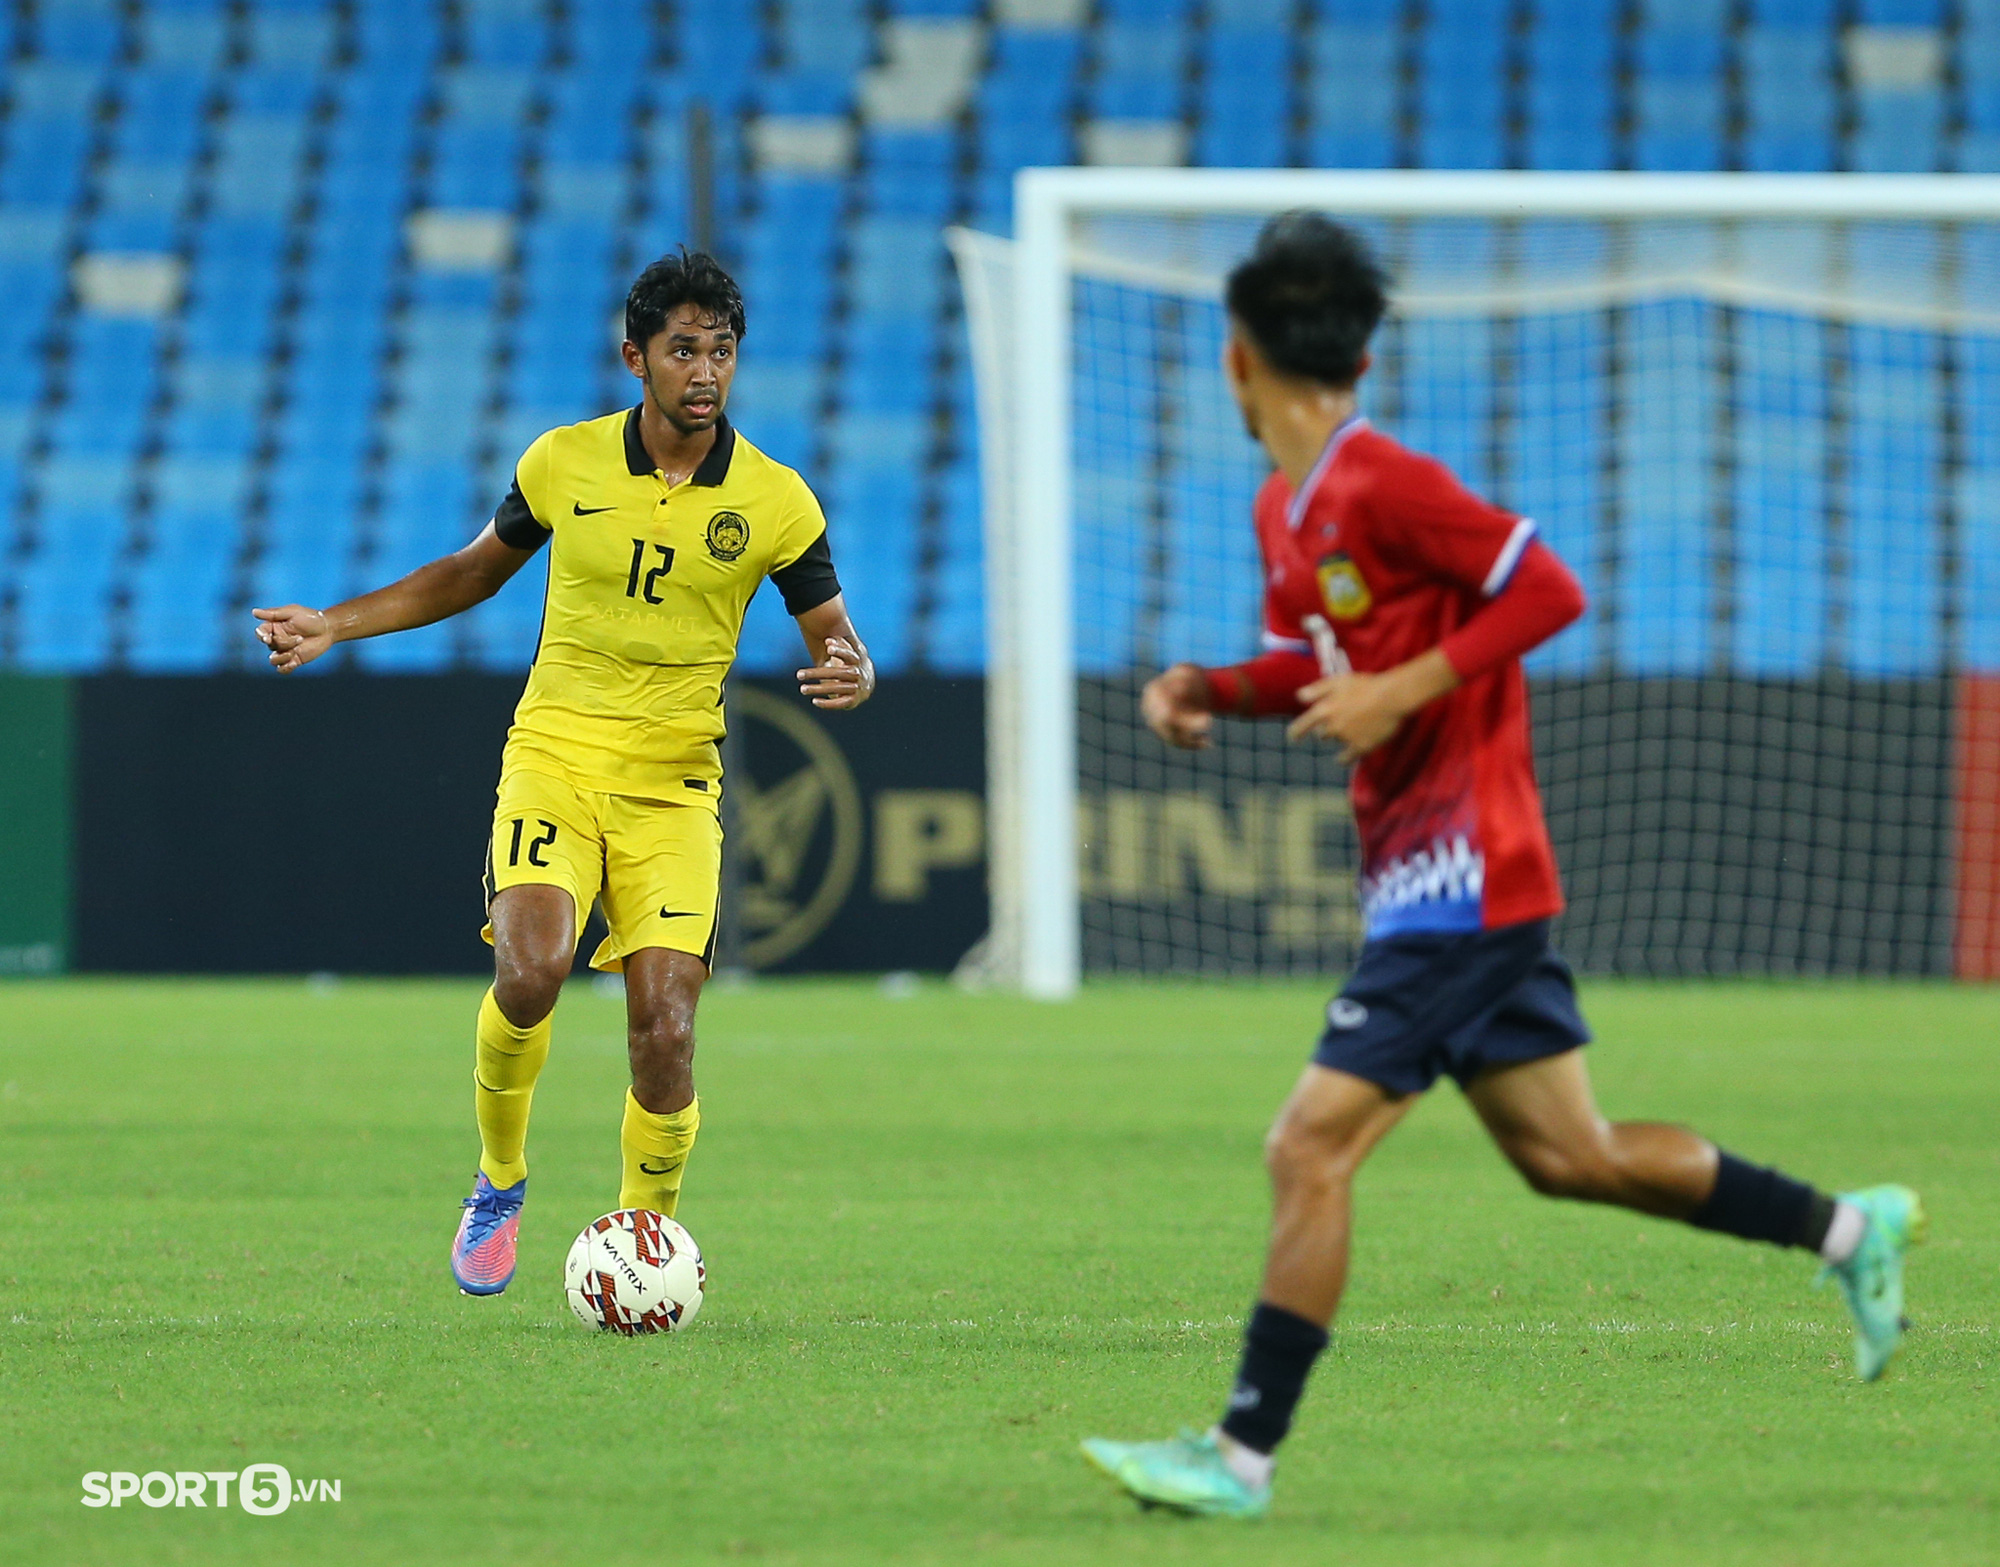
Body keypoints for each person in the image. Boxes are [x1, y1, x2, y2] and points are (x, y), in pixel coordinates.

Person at [1080, 214, 1922, 1519]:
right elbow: (1314, 668)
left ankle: (1239, 1456)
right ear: (1356, 356)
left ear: (1237, 358)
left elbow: (1549, 588)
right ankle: (1849, 1230)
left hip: (1466, 876)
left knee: (1307, 1146)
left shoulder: (1385, 481)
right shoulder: (1284, 508)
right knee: (1568, 1152)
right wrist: (1210, 684)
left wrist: (1406, 684)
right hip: (1430, 873)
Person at [254, 250, 872, 1297]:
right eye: (683, 349)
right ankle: (498, 1178)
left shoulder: (776, 501)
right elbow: (469, 573)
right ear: (635, 357)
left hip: (674, 786)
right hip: (553, 757)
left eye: (720, 349)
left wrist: (852, 668)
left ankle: (646, 1244)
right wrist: (335, 623)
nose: (705, 370)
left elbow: (832, 633)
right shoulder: (562, 463)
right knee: (529, 971)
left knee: (665, 1030)